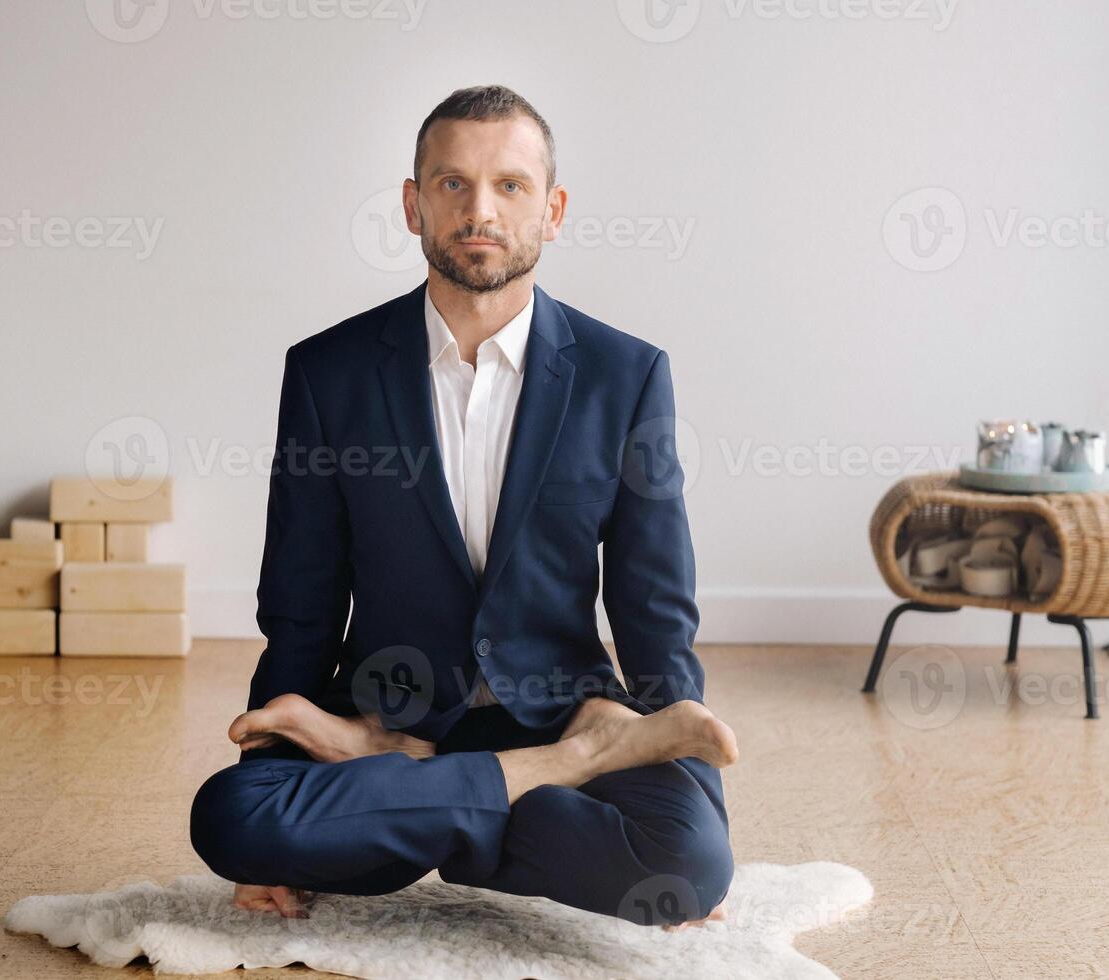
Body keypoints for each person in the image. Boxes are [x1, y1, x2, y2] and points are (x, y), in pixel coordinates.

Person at [190, 84, 738, 930]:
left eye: (510, 186)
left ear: (552, 210)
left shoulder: (625, 377)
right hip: (386, 706)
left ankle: (403, 800)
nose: (479, 210)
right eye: (452, 184)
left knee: (691, 861)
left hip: (558, 701)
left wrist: (690, 783)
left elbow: (654, 610)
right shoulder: (328, 373)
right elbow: (298, 604)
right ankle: (545, 770)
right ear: (414, 205)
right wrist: (277, 739)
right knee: (232, 818)